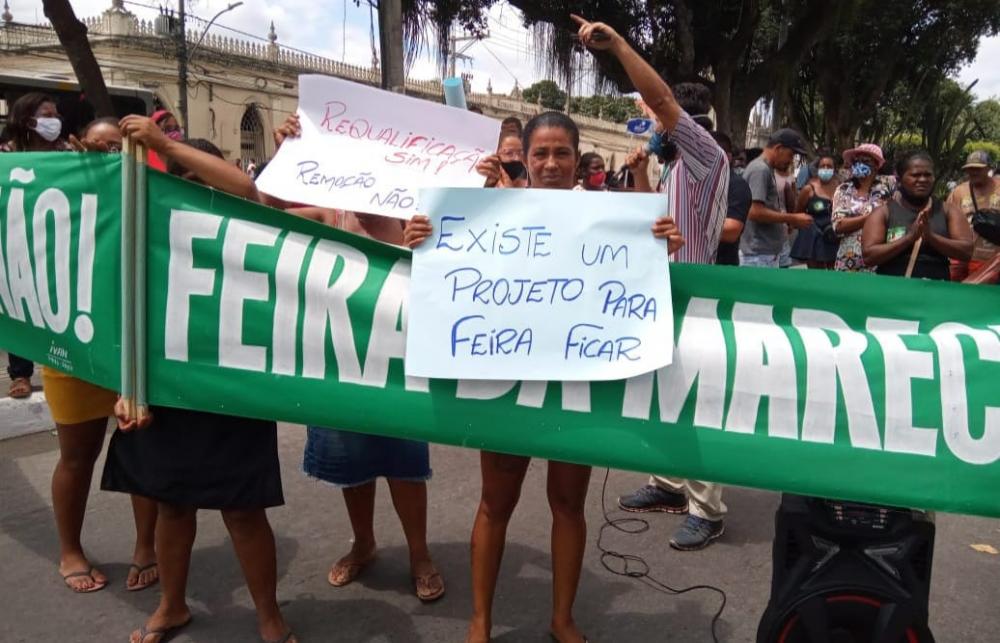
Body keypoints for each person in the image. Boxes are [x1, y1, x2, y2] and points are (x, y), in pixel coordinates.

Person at [404, 17, 685, 642]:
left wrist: (661, 241)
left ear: (577, 158)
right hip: (504, 378)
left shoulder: (608, 218)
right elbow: (449, 277)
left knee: (568, 505)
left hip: (574, 384)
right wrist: (423, 240)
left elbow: (641, 282)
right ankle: (480, 621)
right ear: (524, 160)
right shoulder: (487, 217)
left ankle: (562, 618)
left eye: (563, 153)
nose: (552, 163)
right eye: (541, 153)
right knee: (494, 504)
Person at [101, 117, 297, 643]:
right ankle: (172, 605)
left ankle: (269, 616)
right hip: (168, 387)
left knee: (243, 509)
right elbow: (125, 312)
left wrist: (168, 145)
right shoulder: (149, 229)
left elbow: (249, 189)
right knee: (171, 504)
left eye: (202, 180)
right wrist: (128, 388)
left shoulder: (244, 224)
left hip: (233, 387)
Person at [266, 111, 445, 605]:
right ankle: (363, 543)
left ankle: (419, 554)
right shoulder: (331, 214)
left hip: (400, 367)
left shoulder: (416, 222)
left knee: (406, 463)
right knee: (351, 464)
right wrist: (287, 155)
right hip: (340, 362)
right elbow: (262, 213)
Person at [1, 92, 69, 399]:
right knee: (17, 304)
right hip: (17, 240)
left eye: (56, 115)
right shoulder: (7, 155)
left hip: (58, 241)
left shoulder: (69, 153)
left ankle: (70, 363)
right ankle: (21, 374)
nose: (53, 121)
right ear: (28, 120)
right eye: (47, 115)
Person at [862, 151, 972, 279]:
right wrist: (909, 238)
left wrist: (931, 237)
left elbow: (966, 252)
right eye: (915, 175)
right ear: (900, 179)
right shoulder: (883, 213)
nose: (922, 180)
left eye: (928, 175)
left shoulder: (949, 211)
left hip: (935, 290)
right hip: (893, 290)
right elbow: (869, 256)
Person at [738, 129, 814, 267]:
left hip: (765, 253)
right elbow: (754, 211)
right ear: (778, 148)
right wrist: (792, 218)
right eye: (790, 155)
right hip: (758, 254)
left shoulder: (765, 169)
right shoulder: (760, 169)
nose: (790, 161)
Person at [831, 143, 895, 272]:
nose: (860, 164)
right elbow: (839, 225)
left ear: (877, 165)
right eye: (856, 160)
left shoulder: (887, 186)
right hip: (849, 261)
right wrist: (873, 217)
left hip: (880, 260)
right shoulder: (844, 189)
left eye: (865, 161)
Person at [946, 150, 1000, 282]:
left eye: (978, 169)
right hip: (962, 258)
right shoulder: (959, 192)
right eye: (970, 169)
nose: (973, 172)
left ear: (988, 168)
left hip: (992, 260)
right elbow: (947, 218)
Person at [790, 151, 841, 269]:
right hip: (813, 237)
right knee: (815, 273)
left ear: (834, 169)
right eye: (823, 166)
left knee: (834, 271)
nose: (826, 169)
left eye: (829, 166)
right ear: (817, 169)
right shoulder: (808, 189)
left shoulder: (840, 188)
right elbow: (798, 213)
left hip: (834, 236)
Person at [713, 131, 752, 267]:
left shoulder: (736, 185)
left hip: (721, 267)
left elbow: (731, 231)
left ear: (727, 157)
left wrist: (682, 225)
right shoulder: (694, 182)